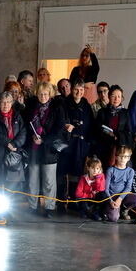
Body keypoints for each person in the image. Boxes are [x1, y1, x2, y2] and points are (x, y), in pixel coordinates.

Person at [26, 82, 66, 218]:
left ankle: (49, 207)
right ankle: (32, 206)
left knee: (49, 181)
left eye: (45, 94)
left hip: (49, 149)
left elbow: (59, 129)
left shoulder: (57, 108)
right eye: (40, 94)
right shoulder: (31, 107)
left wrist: (44, 140)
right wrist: (32, 136)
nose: (43, 96)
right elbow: (27, 125)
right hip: (34, 148)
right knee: (32, 179)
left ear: (50, 95)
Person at [57, 79, 93, 209]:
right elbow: (59, 122)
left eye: (81, 90)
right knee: (62, 173)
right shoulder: (64, 105)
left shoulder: (87, 106)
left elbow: (90, 126)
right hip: (66, 144)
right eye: (76, 89)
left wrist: (88, 144)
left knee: (76, 174)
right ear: (72, 90)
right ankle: (60, 201)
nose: (79, 92)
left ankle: (73, 201)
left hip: (80, 145)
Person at [0, 91, 27, 209]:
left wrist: (15, 143)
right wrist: (7, 142)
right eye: (3, 102)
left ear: (12, 103)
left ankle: (9, 210)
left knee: (11, 185)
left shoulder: (17, 116)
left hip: (13, 154)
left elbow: (23, 132)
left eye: (8, 102)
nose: (5, 105)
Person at [93, 85, 132, 170]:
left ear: (122, 98)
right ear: (109, 97)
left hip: (119, 146)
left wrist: (117, 136)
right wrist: (109, 135)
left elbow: (128, 131)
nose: (116, 99)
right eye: (113, 96)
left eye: (119, 96)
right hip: (104, 145)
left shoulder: (126, 113)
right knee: (103, 171)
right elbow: (98, 129)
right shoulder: (102, 112)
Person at [103, 146, 136, 222]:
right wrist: (111, 201)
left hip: (123, 196)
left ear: (129, 158)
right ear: (116, 157)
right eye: (120, 156)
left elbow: (128, 187)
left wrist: (120, 199)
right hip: (112, 197)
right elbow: (106, 189)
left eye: (125, 157)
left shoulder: (130, 171)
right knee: (114, 218)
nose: (123, 159)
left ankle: (124, 209)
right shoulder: (110, 170)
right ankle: (107, 208)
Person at [75, 157, 107, 221]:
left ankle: (97, 212)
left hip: (95, 200)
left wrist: (97, 179)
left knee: (103, 195)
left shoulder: (101, 177)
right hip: (86, 199)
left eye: (97, 168)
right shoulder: (83, 178)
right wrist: (89, 195)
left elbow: (101, 189)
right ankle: (88, 212)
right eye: (93, 168)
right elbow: (78, 193)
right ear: (88, 168)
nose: (95, 170)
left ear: (100, 169)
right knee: (83, 205)